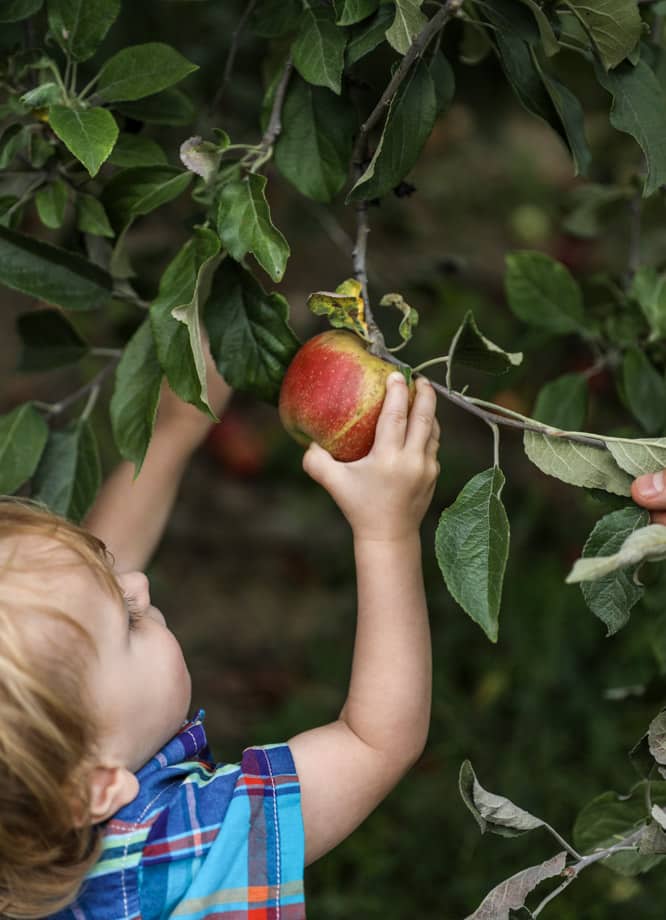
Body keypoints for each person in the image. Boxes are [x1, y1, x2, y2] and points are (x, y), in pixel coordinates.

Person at [0, 350, 440, 919]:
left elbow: (78, 616)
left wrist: (175, 429)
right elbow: (376, 741)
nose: (138, 584)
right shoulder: (182, 852)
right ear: (95, 788)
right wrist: (387, 534)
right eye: (129, 623)